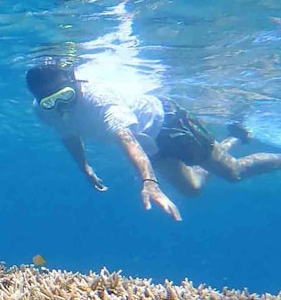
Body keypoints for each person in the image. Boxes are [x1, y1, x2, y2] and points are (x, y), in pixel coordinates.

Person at [25, 58, 281, 222]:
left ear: (74, 78)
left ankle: (235, 144)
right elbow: (68, 133)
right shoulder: (42, 110)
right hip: (150, 146)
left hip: (170, 125)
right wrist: (84, 166)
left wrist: (149, 182)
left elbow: (127, 140)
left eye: (65, 95)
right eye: (50, 102)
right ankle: (235, 137)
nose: (61, 106)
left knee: (233, 173)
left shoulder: (99, 100)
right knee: (192, 190)